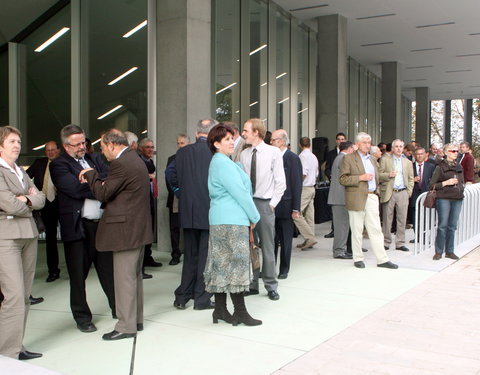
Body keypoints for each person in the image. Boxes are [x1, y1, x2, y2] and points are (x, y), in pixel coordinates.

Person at [80, 129, 152, 340]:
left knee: (124, 280)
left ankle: (125, 326)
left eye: (102, 148)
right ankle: (134, 320)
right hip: (136, 228)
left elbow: (103, 192)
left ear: (112, 145)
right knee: (134, 278)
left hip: (125, 230)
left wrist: (90, 173)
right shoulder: (134, 158)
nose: (103, 153)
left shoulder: (121, 163)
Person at [50, 124, 115, 333]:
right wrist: (97, 183)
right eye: (76, 144)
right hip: (78, 228)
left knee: (109, 271)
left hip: (101, 226)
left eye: (83, 142)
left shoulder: (95, 159)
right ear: (65, 145)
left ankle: (118, 309)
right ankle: (82, 318)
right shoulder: (58, 165)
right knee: (78, 275)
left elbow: (111, 181)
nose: (81, 147)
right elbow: (75, 189)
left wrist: (91, 179)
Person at [203, 123, 261, 326]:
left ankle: (220, 310)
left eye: (231, 138)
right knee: (236, 265)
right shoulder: (222, 163)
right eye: (227, 139)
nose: (231, 142)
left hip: (221, 220)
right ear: (216, 143)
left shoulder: (222, 162)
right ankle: (240, 312)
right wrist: (254, 216)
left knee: (221, 265)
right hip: (232, 220)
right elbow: (240, 193)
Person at [0, 125, 46, 360]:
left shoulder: (20, 170)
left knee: (25, 294)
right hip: (6, 237)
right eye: (11, 142)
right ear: (0, 146)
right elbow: (9, 204)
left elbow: (42, 197)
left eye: (19, 141)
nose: (17, 145)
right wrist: (29, 199)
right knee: (14, 295)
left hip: (28, 234)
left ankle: (16, 345)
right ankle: (6, 353)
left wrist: (26, 198)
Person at [167, 119, 217, 310]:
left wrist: (181, 192)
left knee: (190, 255)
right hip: (209, 210)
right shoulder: (215, 153)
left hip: (188, 210)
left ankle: (182, 296)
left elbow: (170, 175)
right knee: (205, 256)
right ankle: (201, 298)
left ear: (197, 133)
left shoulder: (182, 152)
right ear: (212, 134)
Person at [240, 118, 286, 301]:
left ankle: (270, 285)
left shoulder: (273, 152)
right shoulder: (244, 154)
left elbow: (280, 182)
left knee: (267, 246)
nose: (243, 133)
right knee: (250, 246)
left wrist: (272, 204)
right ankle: (252, 283)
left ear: (256, 132)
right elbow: (243, 183)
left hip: (265, 204)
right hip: (247, 204)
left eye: (245, 130)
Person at [339, 132, 398, 269]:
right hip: (356, 196)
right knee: (357, 229)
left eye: (369, 142)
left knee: (376, 229)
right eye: (364, 142)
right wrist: (360, 177)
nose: (367, 145)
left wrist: (387, 176)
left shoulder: (372, 159)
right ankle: (358, 258)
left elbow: (376, 176)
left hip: (372, 196)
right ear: (357, 144)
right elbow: (342, 179)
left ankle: (382, 259)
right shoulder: (348, 158)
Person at [26, 140, 61, 282]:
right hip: (46, 206)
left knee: (72, 239)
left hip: (63, 204)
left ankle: (78, 268)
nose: (50, 152)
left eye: (53, 150)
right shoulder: (39, 163)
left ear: (58, 150)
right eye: (47, 150)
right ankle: (53, 271)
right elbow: (24, 177)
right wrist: (31, 192)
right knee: (50, 239)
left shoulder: (65, 163)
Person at [271, 129, 302, 279]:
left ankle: (284, 269)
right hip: (271, 205)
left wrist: (296, 208)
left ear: (282, 141)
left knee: (285, 240)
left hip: (286, 205)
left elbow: (296, 184)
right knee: (271, 240)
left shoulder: (292, 158)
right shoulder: (271, 156)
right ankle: (270, 268)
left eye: (273, 140)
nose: (270, 143)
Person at [430, 144, 465, 260]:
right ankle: (438, 251)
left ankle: (449, 251)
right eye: (453, 151)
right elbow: (431, 185)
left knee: (452, 226)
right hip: (444, 198)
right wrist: (446, 183)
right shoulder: (439, 167)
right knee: (442, 225)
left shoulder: (459, 166)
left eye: (457, 151)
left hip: (457, 198)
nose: (456, 153)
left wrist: (461, 188)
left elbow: (462, 181)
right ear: (446, 152)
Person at [378, 139, 414, 252]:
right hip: (390, 191)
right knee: (387, 219)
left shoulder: (407, 162)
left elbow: (411, 178)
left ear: (403, 148)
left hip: (403, 192)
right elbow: (378, 175)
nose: (399, 148)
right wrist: (388, 175)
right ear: (392, 148)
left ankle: (400, 243)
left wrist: (408, 192)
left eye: (401, 146)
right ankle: (386, 242)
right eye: (396, 146)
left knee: (402, 219)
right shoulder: (385, 159)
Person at [165, 134, 190, 265]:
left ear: (188, 144)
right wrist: (176, 191)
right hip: (175, 197)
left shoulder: (192, 158)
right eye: (178, 143)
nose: (180, 146)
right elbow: (167, 179)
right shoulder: (171, 159)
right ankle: (175, 254)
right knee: (174, 227)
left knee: (189, 227)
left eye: (182, 143)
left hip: (190, 198)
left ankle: (190, 254)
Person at [328, 141, 355, 259]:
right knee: (341, 226)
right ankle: (339, 251)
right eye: (353, 150)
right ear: (349, 149)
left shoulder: (339, 158)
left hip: (339, 197)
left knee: (343, 226)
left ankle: (341, 249)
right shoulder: (343, 159)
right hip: (340, 198)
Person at [138, 138, 162, 269]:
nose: (150, 150)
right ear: (141, 149)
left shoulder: (150, 161)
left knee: (150, 228)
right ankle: (142, 261)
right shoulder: (139, 162)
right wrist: (147, 176)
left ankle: (148, 256)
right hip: (142, 201)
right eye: (147, 147)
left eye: (152, 147)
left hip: (150, 199)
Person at [294, 137, 319, 249]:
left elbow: (303, 172)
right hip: (312, 187)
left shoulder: (302, 156)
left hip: (304, 187)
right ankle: (309, 239)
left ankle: (309, 238)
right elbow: (317, 173)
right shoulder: (314, 156)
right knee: (309, 215)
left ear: (300, 145)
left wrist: (297, 184)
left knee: (296, 214)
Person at [408, 147, 435, 242]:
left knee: (425, 216)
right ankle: (417, 237)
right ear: (415, 156)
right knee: (415, 215)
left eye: (421, 154)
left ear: (425, 155)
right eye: (417, 154)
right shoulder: (410, 166)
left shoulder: (431, 166)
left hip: (426, 193)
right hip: (414, 193)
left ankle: (424, 236)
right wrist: (412, 180)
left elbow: (433, 180)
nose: (419, 156)